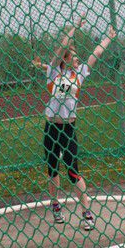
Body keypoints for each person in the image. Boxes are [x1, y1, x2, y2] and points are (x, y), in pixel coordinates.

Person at [32, 16, 116, 230]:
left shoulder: (79, 74)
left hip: (68, 128)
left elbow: (95, 54)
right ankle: (56, 205)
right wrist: (74, 28)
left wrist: (108, 38)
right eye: (74, 56)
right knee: (52, 170)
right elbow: (60, 48)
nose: (78, 59)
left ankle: (86, 212)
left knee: (73, 171)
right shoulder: (53, 72)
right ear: (65, 59)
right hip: (51, 127)